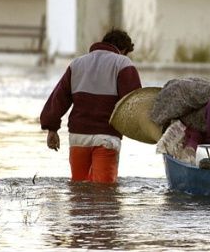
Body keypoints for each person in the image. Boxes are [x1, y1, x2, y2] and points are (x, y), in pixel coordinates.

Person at [40, 29, 142, 183]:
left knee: (79, 190)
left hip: (78, 137)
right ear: (123, 50)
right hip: (106, 137)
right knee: (104, 192)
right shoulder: (122, 63)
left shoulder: (77, 64)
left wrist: (51, 128)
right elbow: (134, 101)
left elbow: (58, 98)